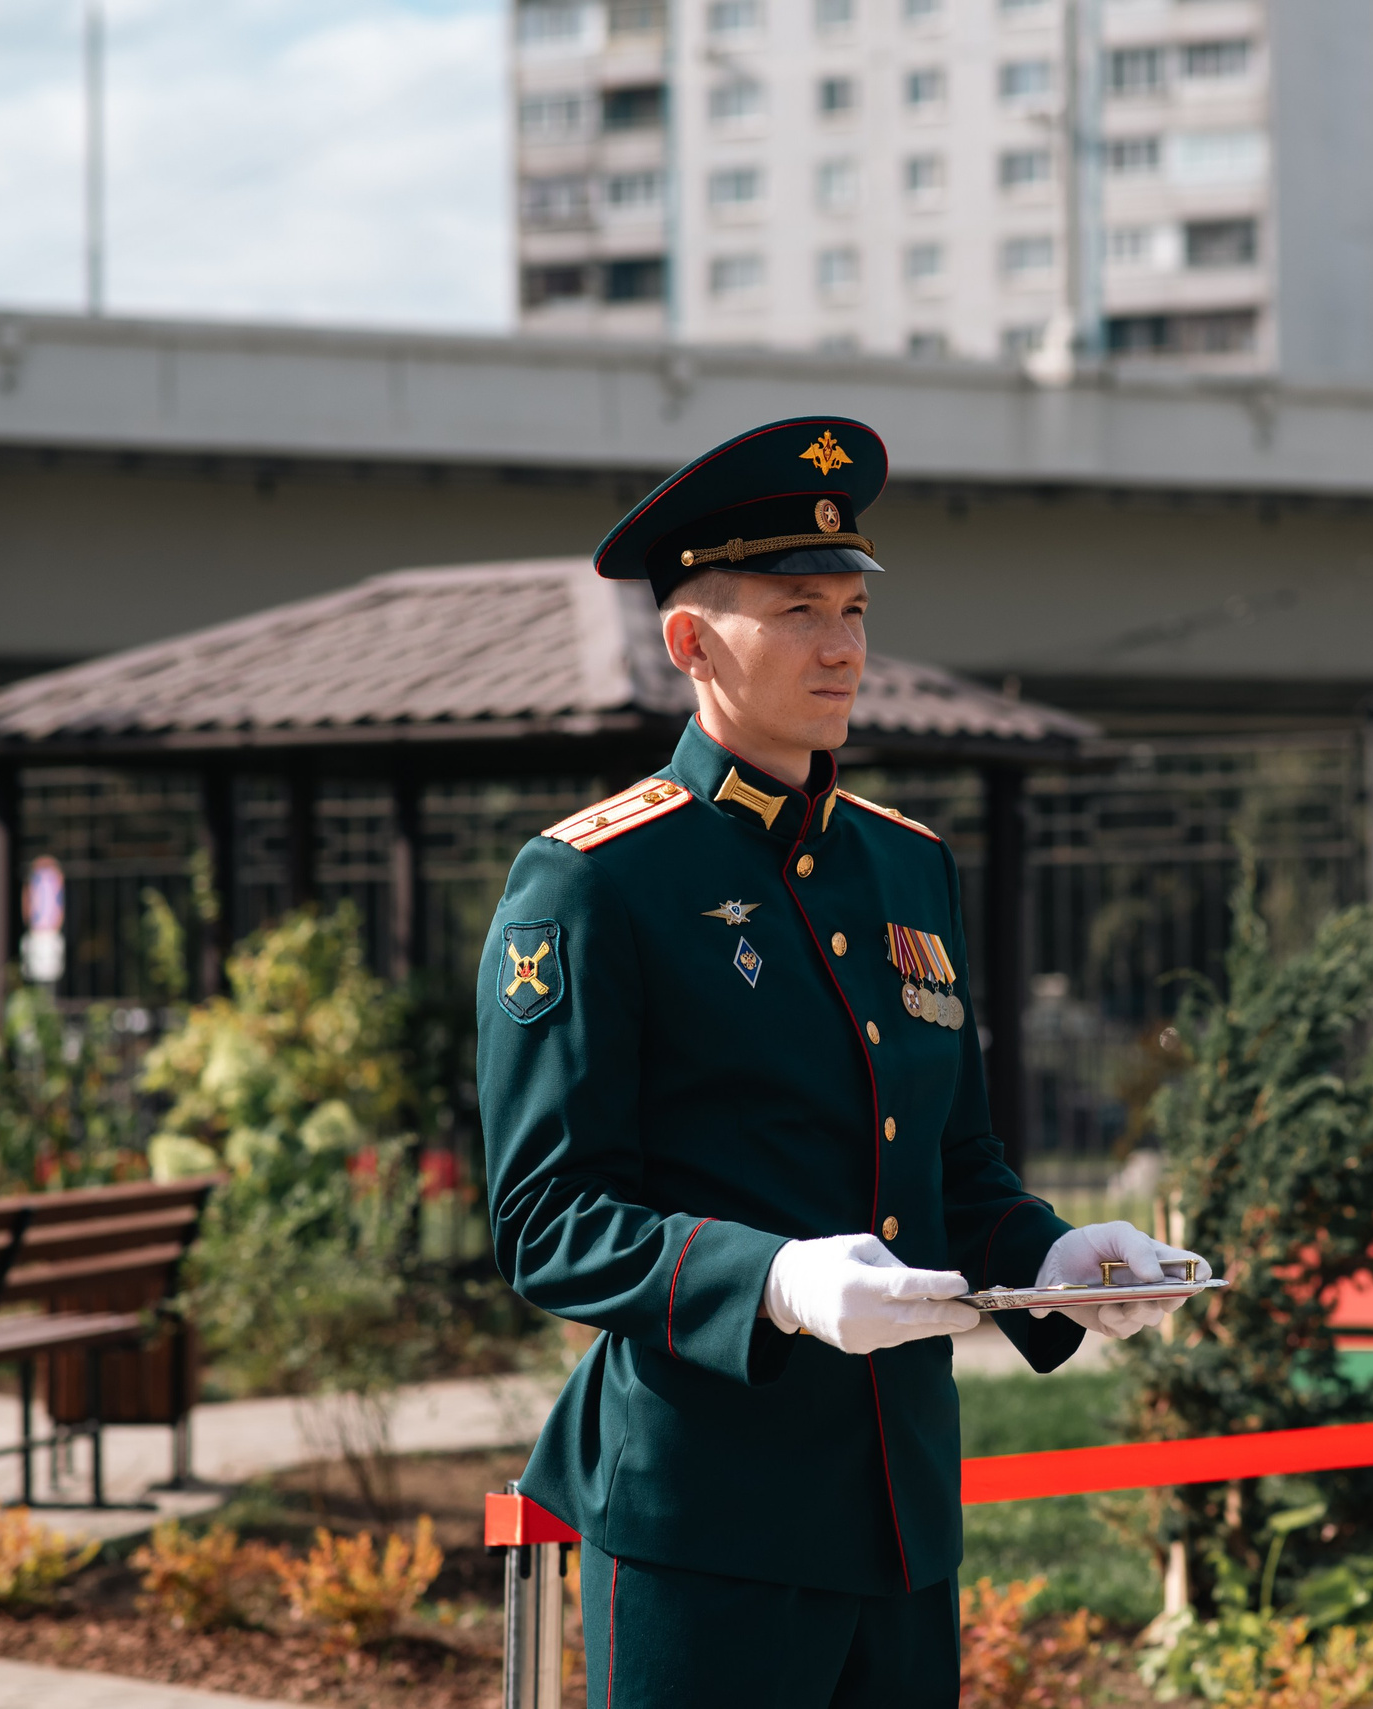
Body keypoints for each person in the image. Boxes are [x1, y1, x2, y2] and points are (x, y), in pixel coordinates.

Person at [476, 416, 1210, 1707]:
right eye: (797, 607)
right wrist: (773, 1281)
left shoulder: (905, 864)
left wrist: (1053, 1261)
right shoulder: (597, 884)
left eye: (853, 608)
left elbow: (954, 1166)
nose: (842, 644)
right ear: (691, 643)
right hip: (711, 1529)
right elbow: (547, 1219)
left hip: (901, 1519)